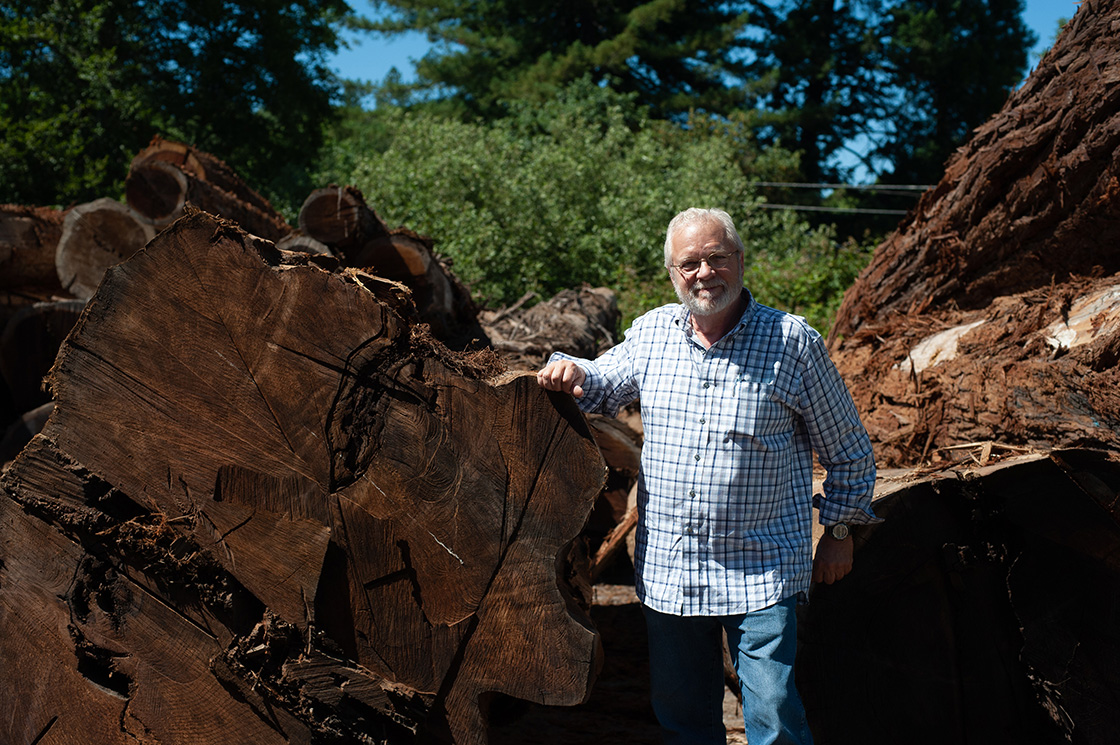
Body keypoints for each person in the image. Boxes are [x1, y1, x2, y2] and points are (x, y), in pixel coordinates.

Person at [536, 208, 879, 745]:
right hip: (672, 570)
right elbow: (600, 382)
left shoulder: (792, 343)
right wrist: (573, 368)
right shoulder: (653, 334)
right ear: (673, 273)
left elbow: (851, 453)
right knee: (684, 723)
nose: (704, 273)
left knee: (775, 717)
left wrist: (838, 533)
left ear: (740, 261)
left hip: (761, 569)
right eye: (689, 262)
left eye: (717, 258)